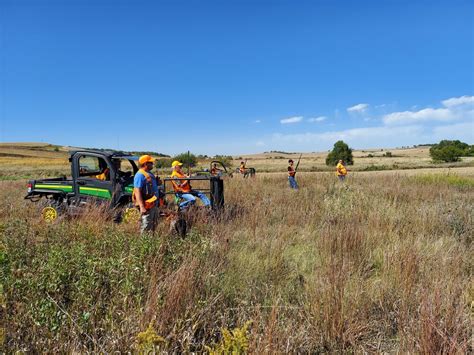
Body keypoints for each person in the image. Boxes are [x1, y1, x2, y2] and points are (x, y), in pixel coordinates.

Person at [133, 155, 159, 233]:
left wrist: (157, 182)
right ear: (145, 164)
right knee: (146, 226)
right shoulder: (139, 175)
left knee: (153, 226)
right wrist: (142, 207)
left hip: (153, 204)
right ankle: (143, 244)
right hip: (146, 205)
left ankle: (150, 243)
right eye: (151, 163)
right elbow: (137, 191)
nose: (152, 164)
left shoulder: (148, 173)